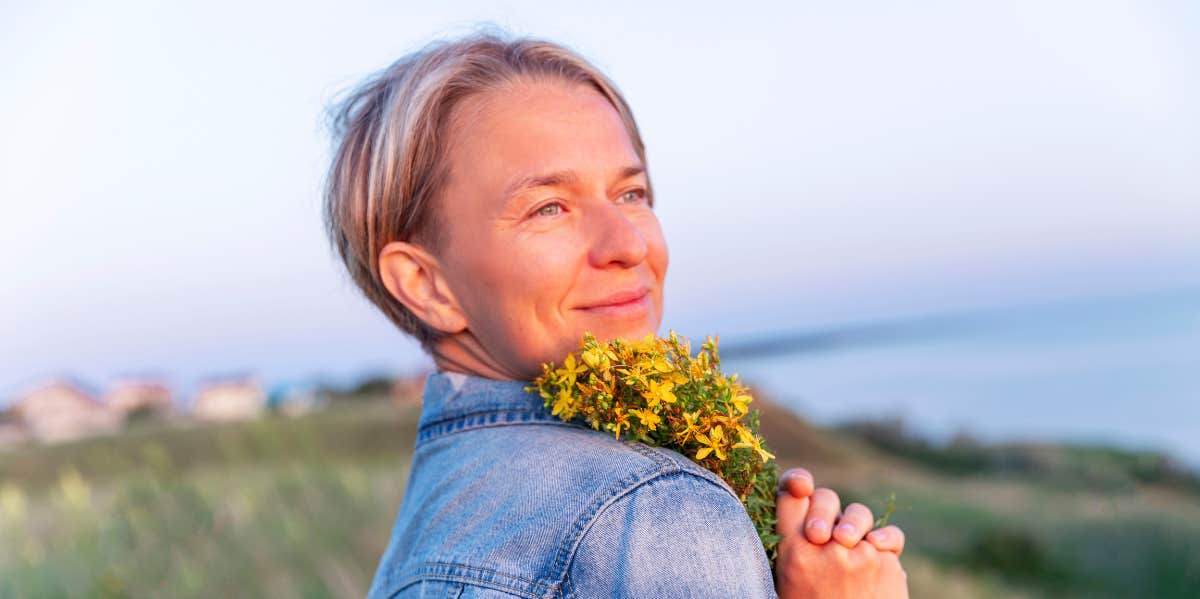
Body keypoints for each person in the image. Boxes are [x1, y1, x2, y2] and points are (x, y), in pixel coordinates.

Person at [323, 28, 908, 598]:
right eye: (549, 207)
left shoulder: (442, 507)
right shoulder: (650, 511)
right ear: (427, 285)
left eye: (631, 194)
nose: (628, 244)